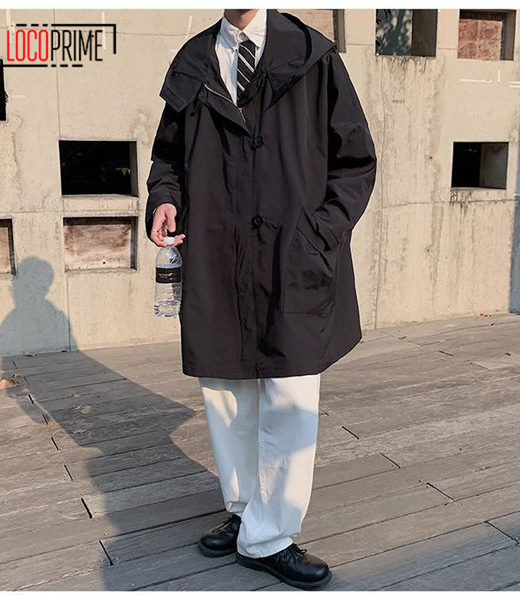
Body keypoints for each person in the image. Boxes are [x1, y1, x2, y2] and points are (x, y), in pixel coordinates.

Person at [145, 8, 377, 590]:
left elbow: (355, 160)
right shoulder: (194, 60)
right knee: (226, 392)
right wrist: (165, 197)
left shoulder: (312, 56)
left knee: (290, 393)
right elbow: (167, 155)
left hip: (291, 255)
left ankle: (269, 536)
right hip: (216, 252)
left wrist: (320, 233)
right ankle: (247, 509)